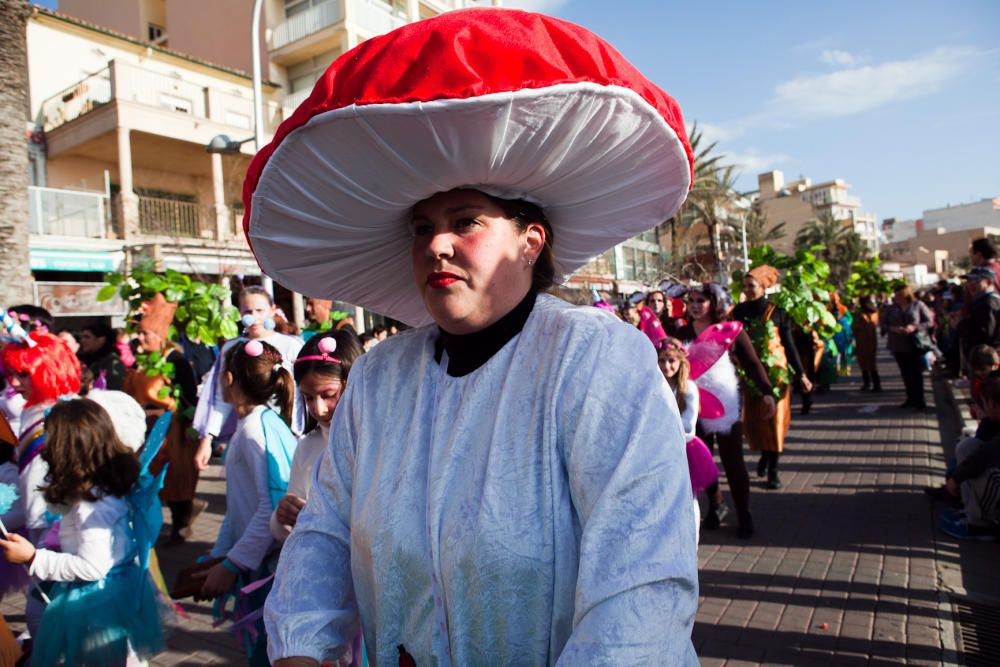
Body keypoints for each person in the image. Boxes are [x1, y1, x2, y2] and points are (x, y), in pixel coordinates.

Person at [249, 9, 698, 665]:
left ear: (529, 239)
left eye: (465, 220)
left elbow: (641, 591)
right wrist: (301, 646)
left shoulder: (600, 361)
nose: (436, 243)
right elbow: (325, 532)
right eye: (421, 226)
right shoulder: (377, 378)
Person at [0, 398, 168, 665]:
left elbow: (92, 567)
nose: (45, 452)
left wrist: (33, 557)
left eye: (50, 443)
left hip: (97, 605)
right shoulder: (103, 486)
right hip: (112, 592)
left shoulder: (92, 504)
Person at [194, 339, 298, 665]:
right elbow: (240, 506)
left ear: (228, 379)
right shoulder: (257, 425)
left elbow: (273, 507)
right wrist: (221, 555)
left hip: (273, 572)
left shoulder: (256, 432)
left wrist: (233, 563)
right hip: (260, 566)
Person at [675, 282, 775, 537]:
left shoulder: (730, 332)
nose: (695, 306)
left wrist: (767, 393)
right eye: (692, 301)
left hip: (726, 404)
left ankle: (744, 513)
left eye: (701, 301)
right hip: (692, 405)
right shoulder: (679, 331)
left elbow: (753, 363)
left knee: (734, 463)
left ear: (713, 303)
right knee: (702, 459)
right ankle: (716, 504)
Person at [194, 286, 304, 468]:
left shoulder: (291, 345)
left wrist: (300, 434)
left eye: (260, 310)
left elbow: (300, 394)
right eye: (248, 311)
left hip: (287, 433)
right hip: (248, 432)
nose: (254, 317)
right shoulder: (232, 349)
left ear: (273, 309)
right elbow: (222, 396)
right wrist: (207, 439)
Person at [122, 294, 202, 546]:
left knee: (177, 476)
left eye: (146, 334)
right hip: (147, 428)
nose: (141, 339)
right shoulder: (142, 361)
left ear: (160, 336)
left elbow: (189, 396)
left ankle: (181, 523)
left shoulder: (176, 361)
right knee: (151, 476)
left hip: (173, 428)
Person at [271, 329, 363, 542]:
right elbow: (285, 529)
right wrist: (282, 516)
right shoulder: (306, 447)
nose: (319, 409)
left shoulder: (380, 443)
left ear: (355, 382)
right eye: (309, 398)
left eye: (328, 395)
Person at [733, 265, 812, 489]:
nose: (747, 289)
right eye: (745, 285)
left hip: (777, 377)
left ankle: (773, 471)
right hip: (749, 376)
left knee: (776, 421)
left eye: (752, 285)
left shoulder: (778, 312)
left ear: (763, 287)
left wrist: (801, 374)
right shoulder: (738, 312)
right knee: (757, 423)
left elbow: (789, 346)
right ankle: (765, 456)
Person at [658, 338, 713, 543]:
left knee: (688, 497)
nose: (666, 366)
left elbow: (687, 424)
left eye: (671, 360)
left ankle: (692, 539)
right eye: (662, 360)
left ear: (681, 361)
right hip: (661, 448)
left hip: (684, 448)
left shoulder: (687, 387)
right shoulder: (656, 384)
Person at [881, 284, 935, 411]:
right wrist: (893, 329)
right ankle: (910, 398)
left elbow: (929, 321)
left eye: (900, 295)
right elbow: (883, 323)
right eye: (896, 294)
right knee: (905, 373)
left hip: (915, 344)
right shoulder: (891, 308)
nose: (897, 297)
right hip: (898, 344)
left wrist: (914, 327)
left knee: (916, 373)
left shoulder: (918, 305)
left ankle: (920, 401)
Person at [957, 267, 1000, 364]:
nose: (970, 284)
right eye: (969, 280)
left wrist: (961, 324)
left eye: (976, 280)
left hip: (985, 360)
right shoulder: (980, 301)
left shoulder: (988, 303)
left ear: (989, 282)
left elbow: (985, 334)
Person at [78, 321, 127, 391]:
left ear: (101, 340)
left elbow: (113, 388)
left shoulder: (112, 362)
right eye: (81, 337)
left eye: (87, 337)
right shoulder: (86, 360)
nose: (82, 340)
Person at [854, 294, 881, 392]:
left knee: (866, 363)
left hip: (864, 341)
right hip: (868, 340)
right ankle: (872, 384)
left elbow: (856, 327)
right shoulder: (874, 313)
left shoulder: (861, 315)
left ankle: (870, 384)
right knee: (870, 363)